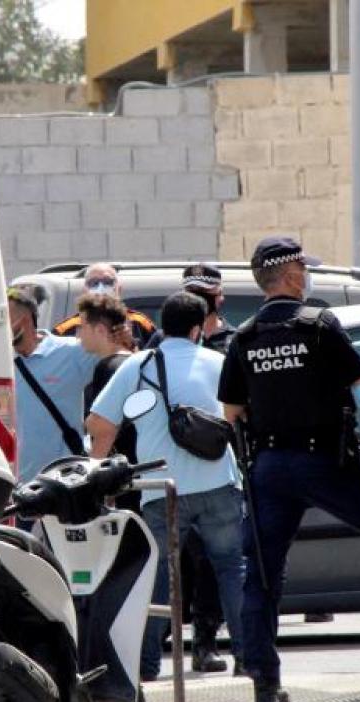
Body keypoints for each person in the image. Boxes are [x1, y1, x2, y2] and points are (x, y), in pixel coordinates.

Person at [218, 237, 360, 702]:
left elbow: (231, 413)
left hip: (269, 467)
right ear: (291, 276)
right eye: (303, 269)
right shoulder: (320, 325)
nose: (307, 276)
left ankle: (264, 683)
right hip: (327, 461)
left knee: (262, 572)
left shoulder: (244, 337)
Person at [88, 292, 245, 683]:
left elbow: (99, 424)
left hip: (161, 488)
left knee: (157, 575)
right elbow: (239, 415)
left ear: (162, 325)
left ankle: (146, 665)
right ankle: (250, 658)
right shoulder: (218, 362)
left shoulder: (139, 365)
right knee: (231, 570)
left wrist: (97, 475)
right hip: (218, 482)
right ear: (198, 328)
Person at [145, 262, 235, 672]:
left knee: (213, 565)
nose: (198, 299)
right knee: (170, 566)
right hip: (172, 472)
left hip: (217, 468)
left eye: (205, 293)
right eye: (191, 292)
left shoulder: (231, 343)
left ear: (219, 298)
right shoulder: (159, 346)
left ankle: (205, 642)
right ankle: (157, 647)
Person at [8, 285, 98, 484]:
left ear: (25, 321)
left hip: (66, 480)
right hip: (19, 484)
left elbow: (115, 357)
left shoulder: (71, 352)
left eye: (5, 319)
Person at [75, 293, 140, 512]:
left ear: (100, 330)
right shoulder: (134, 360)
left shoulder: (108, 367)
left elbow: (104, 431)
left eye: (82, 326)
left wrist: (90, 483)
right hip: (142, 469)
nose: (78, 334)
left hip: (125, 476)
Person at [54, 262, 156, 349]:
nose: (101, 288)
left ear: (119, 289)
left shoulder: (140, 323)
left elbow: (156, 358)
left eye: (108, 282)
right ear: (84, 291)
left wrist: (130, 344)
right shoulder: (65, 330)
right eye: (94, 283)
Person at [146, 262, 236, 354]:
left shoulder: (234, 340)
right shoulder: (164, 338)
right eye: (190, 291)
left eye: (203, 290)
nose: (195, 297)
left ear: (220, 295)